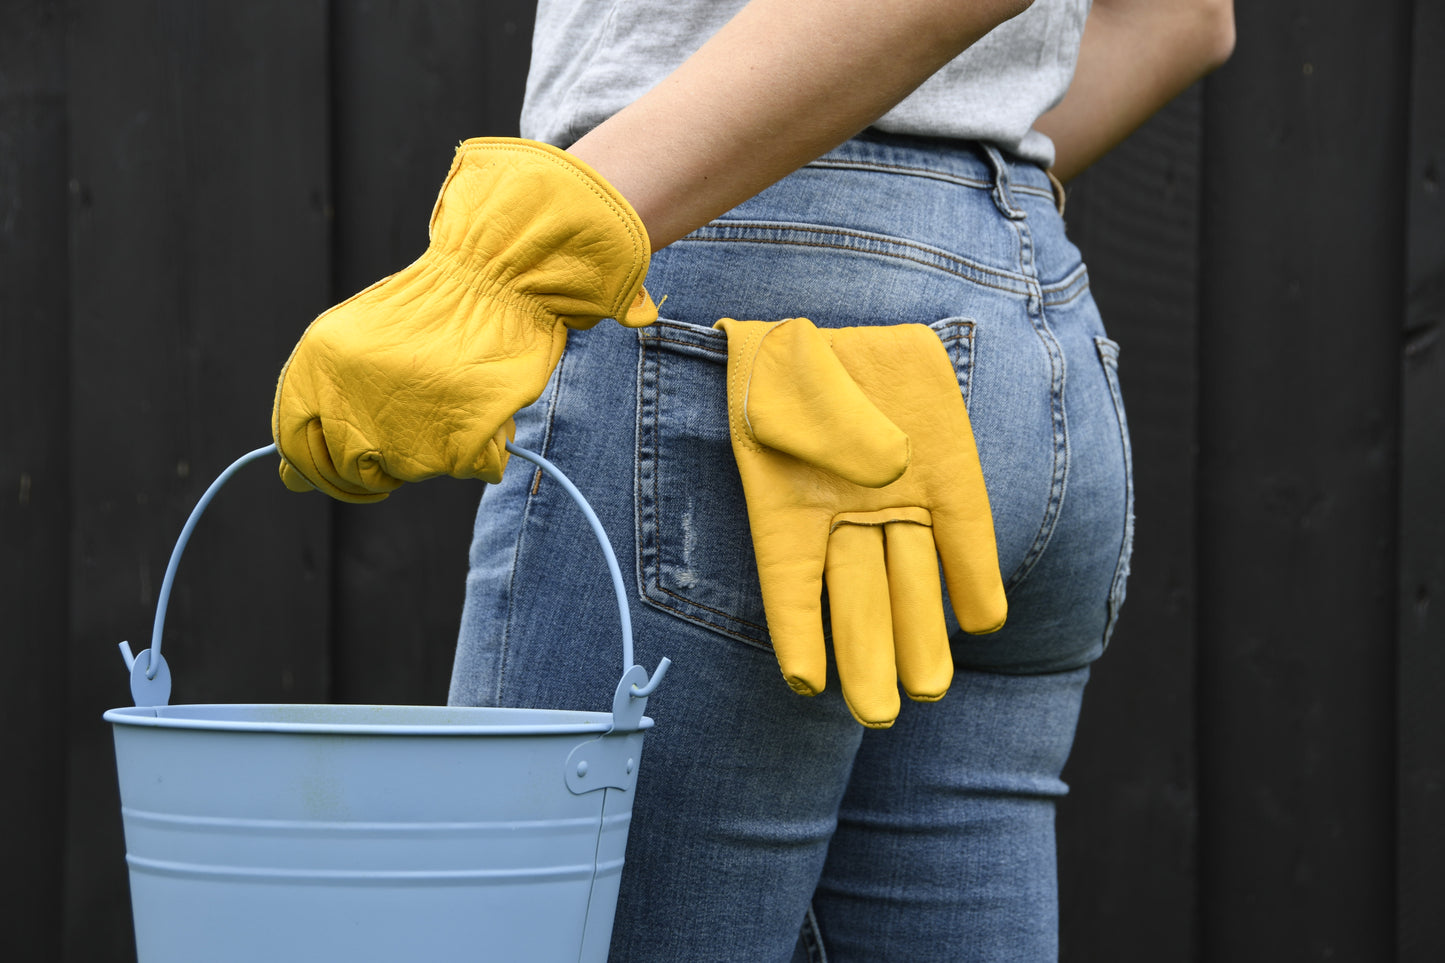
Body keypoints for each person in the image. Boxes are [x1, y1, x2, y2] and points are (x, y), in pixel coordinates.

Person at [273, 0, 1235, 959]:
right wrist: (923, 219)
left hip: (730, 317)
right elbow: (1185, 19)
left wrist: (517, 250)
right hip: (1021, 322)